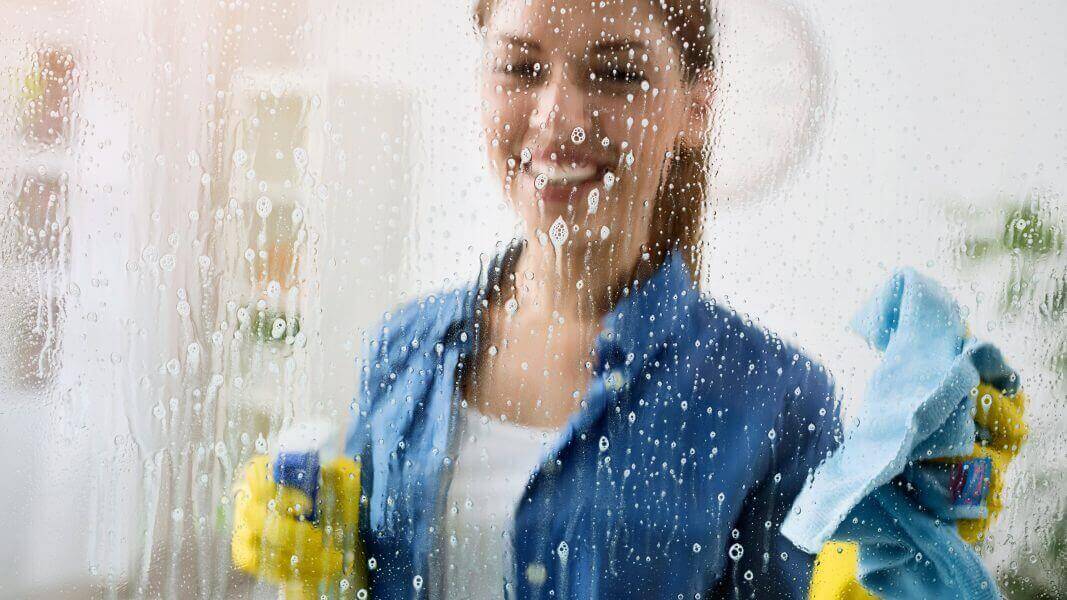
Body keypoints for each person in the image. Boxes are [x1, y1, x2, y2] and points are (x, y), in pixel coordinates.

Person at [231, 1, 1026, 598]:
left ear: (694, 107)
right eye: (519, 67)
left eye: (614, 73)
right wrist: (319, 552)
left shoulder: (779, 401)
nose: (558, 117)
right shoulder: (401, 348)